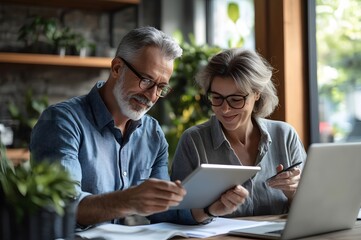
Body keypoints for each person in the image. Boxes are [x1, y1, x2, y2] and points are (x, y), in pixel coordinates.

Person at [30, 26, 248, 227]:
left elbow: (164, 211)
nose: (152, 96)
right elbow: (61, 208)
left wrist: (210, 209)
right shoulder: (62, 122)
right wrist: (128, 200)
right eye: (146, 80)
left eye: (161, 87)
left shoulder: (152, 134)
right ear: (117, 68)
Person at [171, 48, 307, 217]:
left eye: (236, 99)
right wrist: (210, 210)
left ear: (257, 94)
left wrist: (294, 193)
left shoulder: (285, 135)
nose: (225, 109)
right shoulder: (194, 140)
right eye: (217, 98)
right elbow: (175, 213)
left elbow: (312, 209)